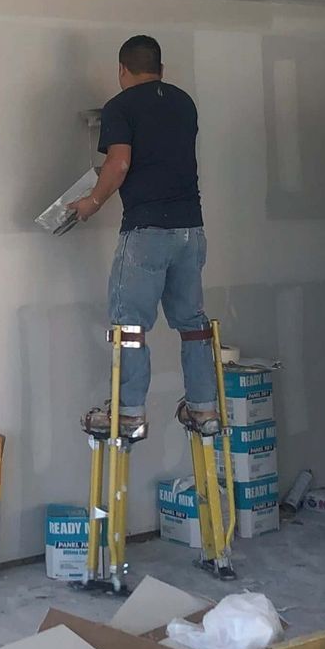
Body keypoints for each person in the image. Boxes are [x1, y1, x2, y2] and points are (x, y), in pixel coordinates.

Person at [67, 34, 216, 441]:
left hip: (147, 232)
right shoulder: (184, 102)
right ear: (161, 70)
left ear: (121, 70)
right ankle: (204, 409)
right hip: (191, 230)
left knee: (129, 326)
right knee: (192, 323)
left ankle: (128, 413)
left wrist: (92, 203)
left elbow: (120, 162)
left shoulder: (122, 106)